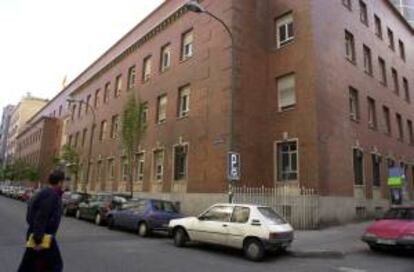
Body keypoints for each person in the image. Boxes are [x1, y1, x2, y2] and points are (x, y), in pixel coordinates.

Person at [18, 170, 65, 272]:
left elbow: (30, 214)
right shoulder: (50, 195)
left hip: (39, 235)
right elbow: (41, 217)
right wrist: (38, 240)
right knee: (56, 265)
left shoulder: (43, 193)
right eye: (63, 182)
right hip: (42, 238)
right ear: (60, 182)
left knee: (34, 266)